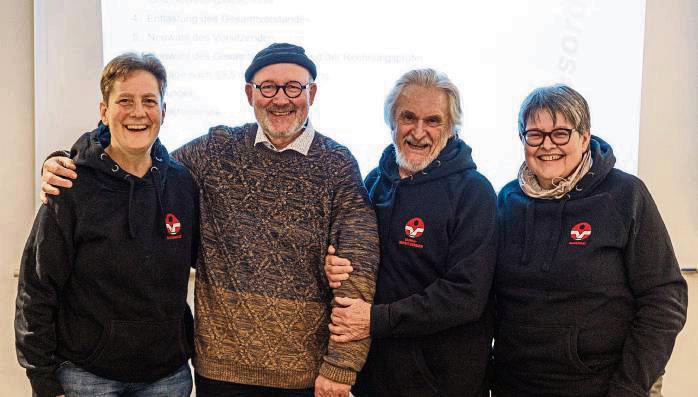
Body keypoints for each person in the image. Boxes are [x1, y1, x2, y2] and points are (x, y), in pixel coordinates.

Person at [40, 43, 379, 397]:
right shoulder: (216, 149)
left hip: (304, 376)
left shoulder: (338, 165)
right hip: (219, 373)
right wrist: (68, 159)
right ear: (250, 94)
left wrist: (342, 365)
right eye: (268, 87)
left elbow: (358, 270)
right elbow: (136, 159)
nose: (281, 98)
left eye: (293, 86)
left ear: (312, 92)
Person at [15, 52, 198, 397]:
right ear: (104, 111)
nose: (138, 113)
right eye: (124, 101)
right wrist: (42, 379)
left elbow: (214, 255)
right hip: (86, 376)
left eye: (149, 101)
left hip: (168, 377)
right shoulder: (70, 183)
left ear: (164, 110)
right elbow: (36, 287)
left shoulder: (182, 184)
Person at [492, 84, 688, 396]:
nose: (547, 145)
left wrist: (629, 387)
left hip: (604, 384)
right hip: (517, 384)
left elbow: (665, 300)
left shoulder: (625, 195)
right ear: (522, 139)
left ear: (584, 138)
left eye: (560, 133)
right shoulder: (507, 200)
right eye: (535, 134)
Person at [324, 69, 497, 397]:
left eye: (433, 120)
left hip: (442, 383)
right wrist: (335, 264)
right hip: (376, 379)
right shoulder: (374, 182)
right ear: (392, 121)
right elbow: (359, 259)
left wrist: (376, 320)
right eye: (408, 117)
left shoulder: (474, 193)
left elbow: (465, 296)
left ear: (451, 128)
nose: (419, 132)